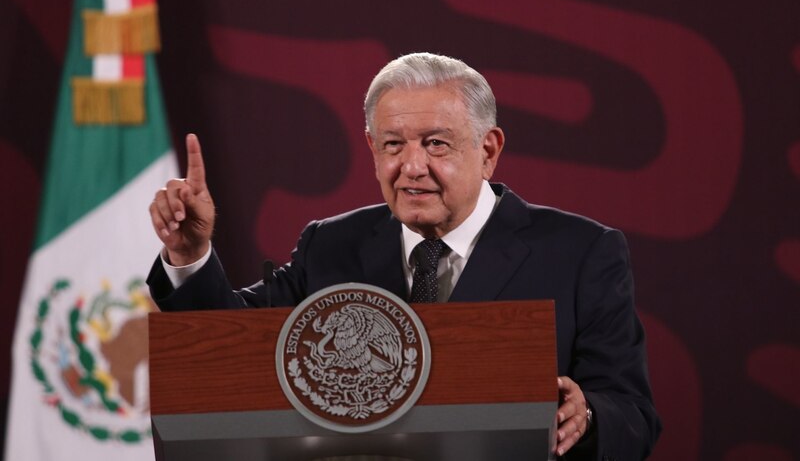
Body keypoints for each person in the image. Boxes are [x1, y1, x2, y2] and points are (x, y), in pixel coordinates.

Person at [147, 52, 661, 459]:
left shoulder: (580, 252)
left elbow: (633, 416)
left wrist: (588, 415)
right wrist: (190, 255)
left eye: (436, 144)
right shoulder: (331, 245)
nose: (411, 167)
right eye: (393, 145)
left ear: (488, 150)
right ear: (372, 148)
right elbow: (228, 358)